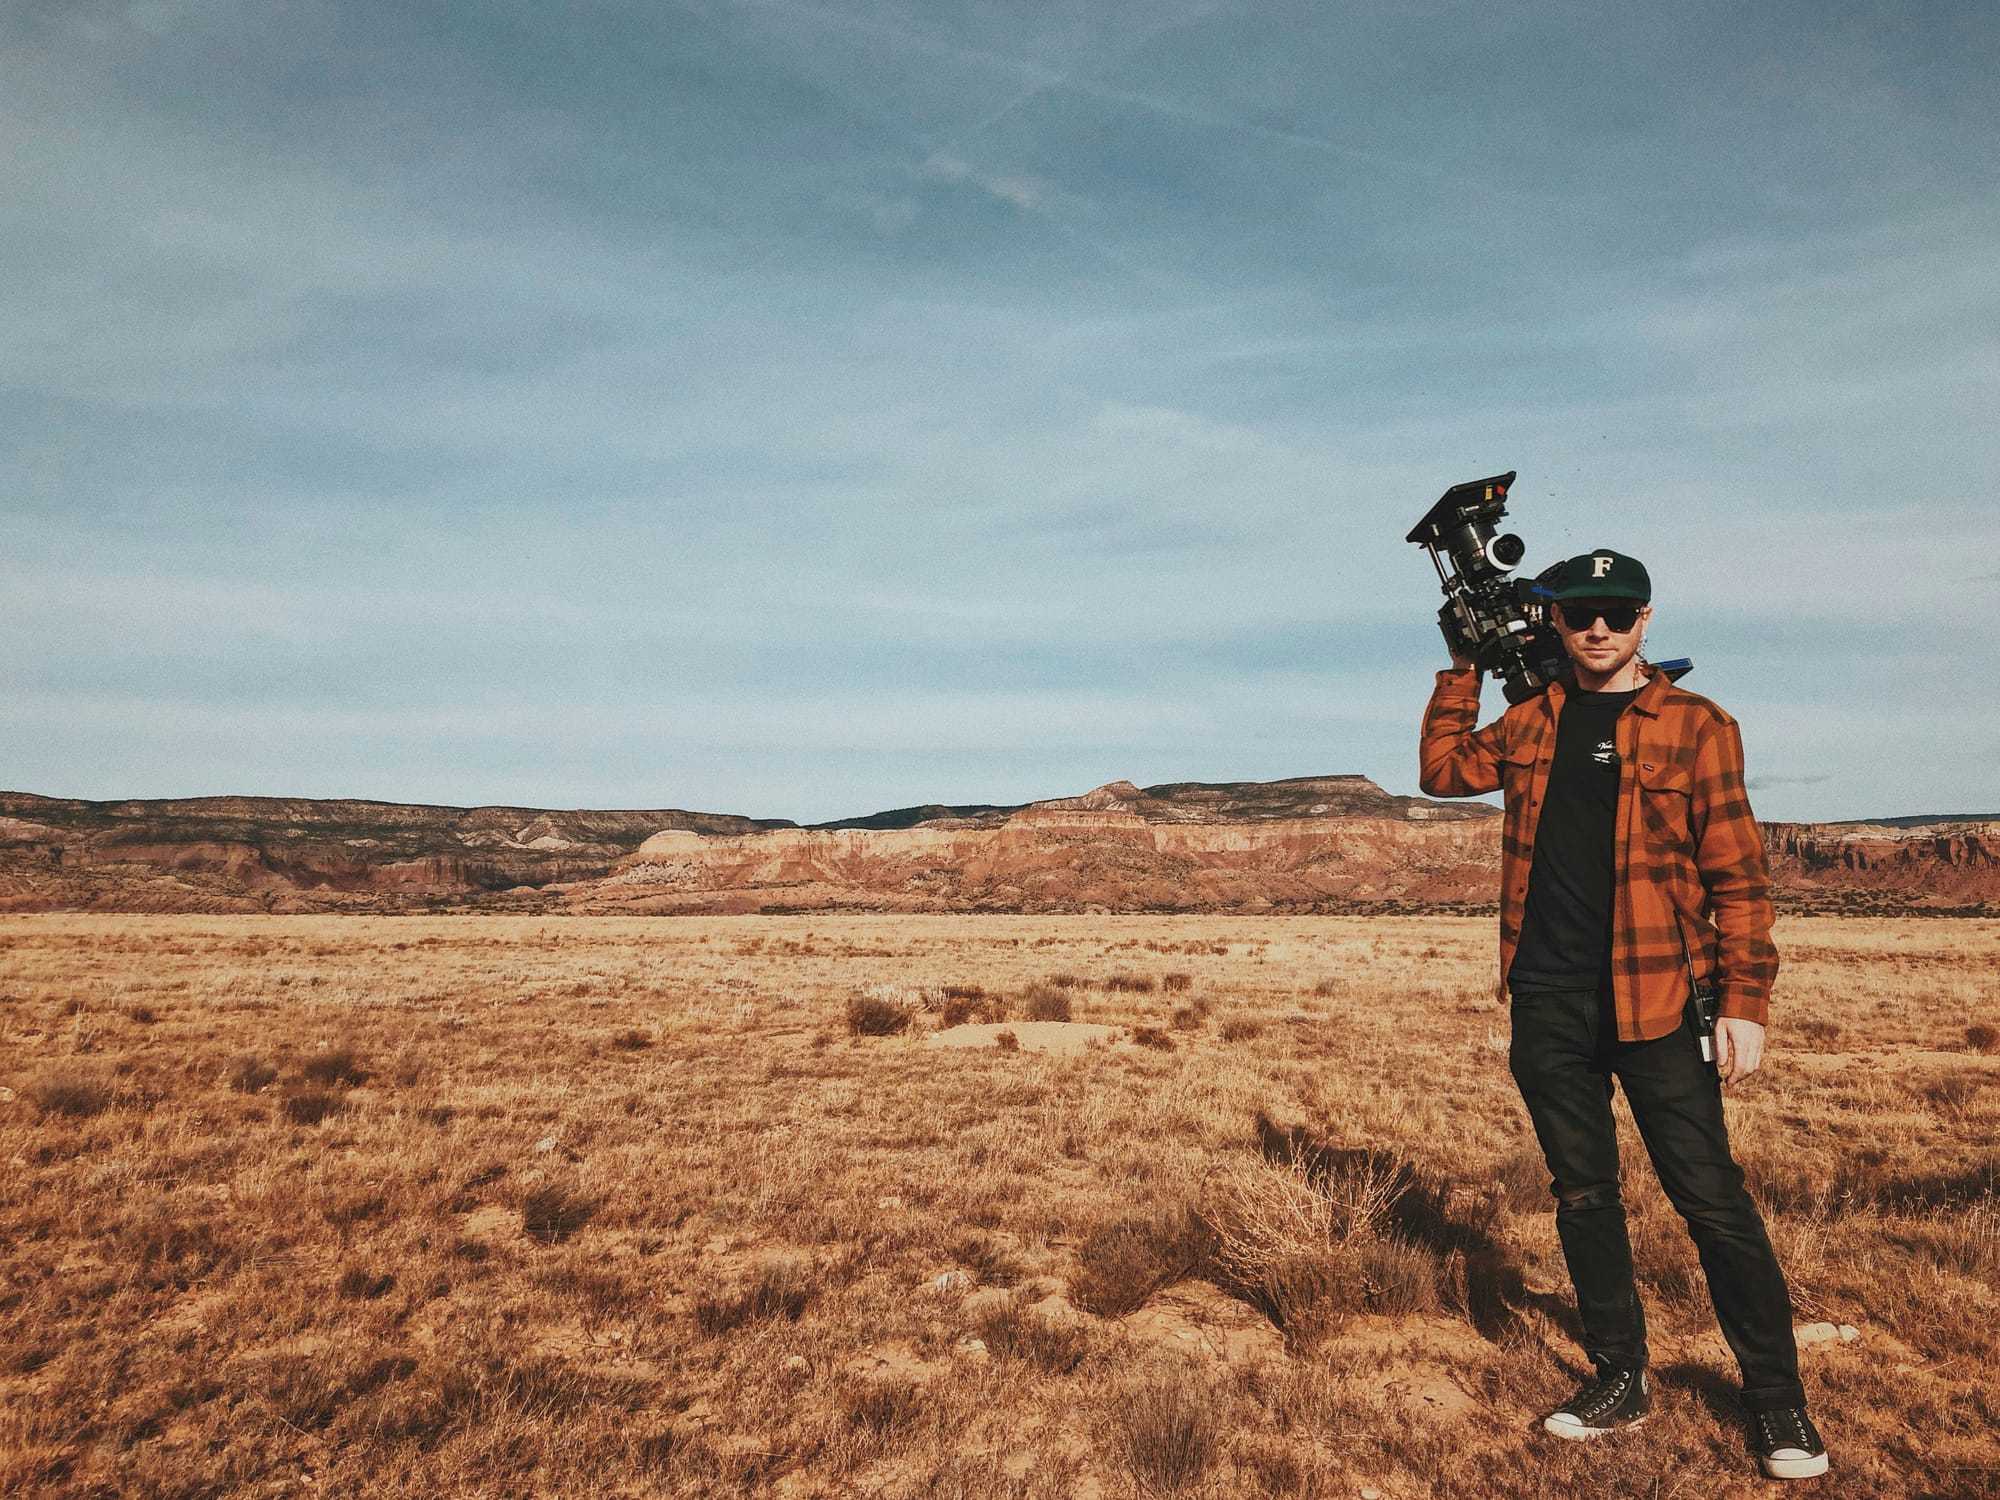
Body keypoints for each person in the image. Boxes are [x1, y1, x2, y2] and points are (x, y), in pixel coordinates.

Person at [1418, 547, 1828, 1481]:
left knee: (1711, 1199)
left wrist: (1745, 1002)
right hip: (1548, 996)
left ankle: (1776, 1398)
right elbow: (1442, 771)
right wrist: (1463, 667)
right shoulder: (1531, 719)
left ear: (1645, 620)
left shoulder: (1696, 725)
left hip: (1659, 996)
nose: (1597, 627)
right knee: (1584, 1194)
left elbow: (1740, 878)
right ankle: (1619, 1375)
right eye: (1579, 612)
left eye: (1616, 612)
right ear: (1555, 621)